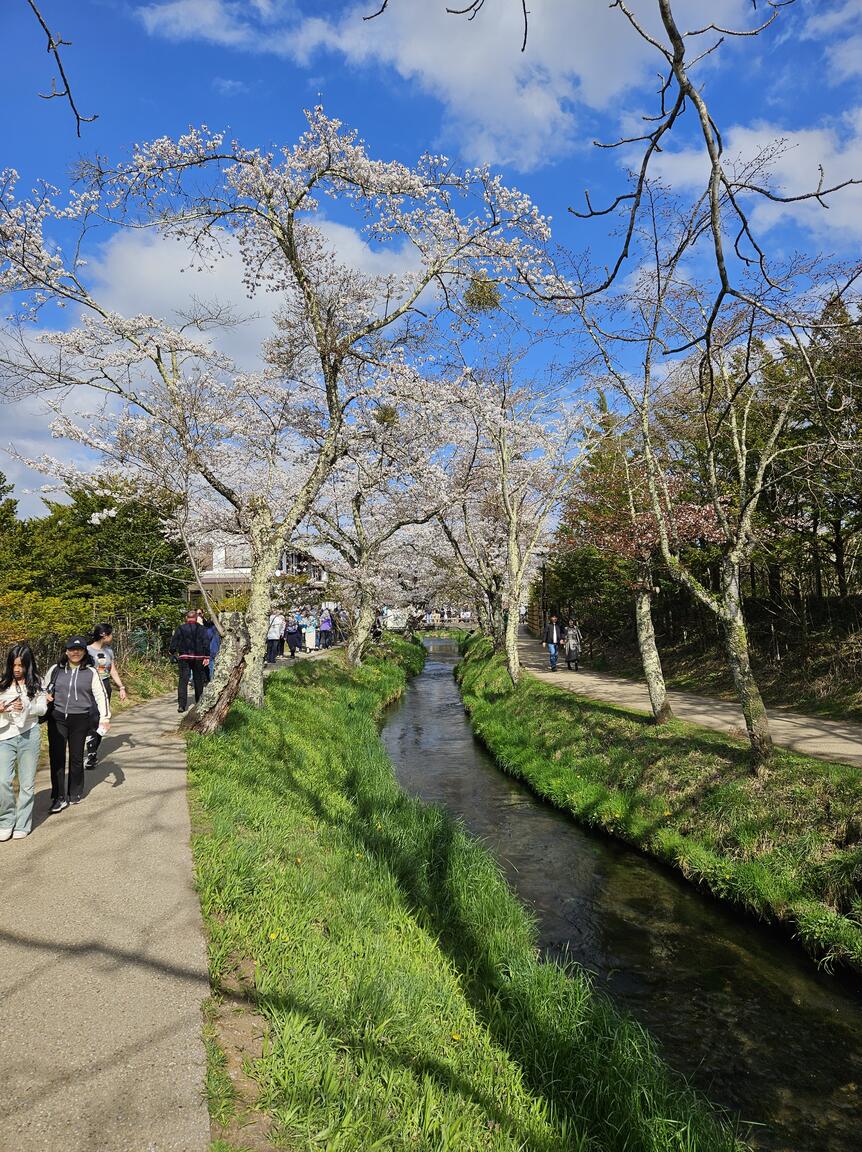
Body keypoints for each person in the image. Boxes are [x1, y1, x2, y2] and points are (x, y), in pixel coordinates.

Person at [45, 637, 110, 811]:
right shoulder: (55, 670)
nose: (75, 652)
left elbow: (100, 695)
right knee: (57, 757)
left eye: (79, 649)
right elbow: (43, 691)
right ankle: (58, 797)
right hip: (57, 718)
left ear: (84, 652)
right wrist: (44, 698)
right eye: (72, 649)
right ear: (66, 651)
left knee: (76, 758)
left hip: (80, 719)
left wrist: (105, 717)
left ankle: (74, 792)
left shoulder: (91, 672)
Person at [0, 643, 49, 839]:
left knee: (27, 783)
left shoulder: (37, 682)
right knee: (2, 781)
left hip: (30, 734)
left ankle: (22, 823)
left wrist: (26, 706)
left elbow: (42, 709)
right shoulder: (2, 683)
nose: (17, 669)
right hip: (4, 735)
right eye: (14, 665)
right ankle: (6, 820)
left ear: (28, 665)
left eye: (21, 665)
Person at [85, 623, 127, 771]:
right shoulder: (87, 650)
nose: (112, 636)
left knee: (100, 719)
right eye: (111, 634)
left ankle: (92, 752)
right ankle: (89, 748)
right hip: (89, 689)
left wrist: (121, 687)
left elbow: (113, 671)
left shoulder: (109, 651)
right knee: (91, 718)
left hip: (105, 687)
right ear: (104, 635)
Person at [169, 610, 210, 713]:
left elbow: (174, 642)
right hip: (198, 657)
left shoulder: (180, 628)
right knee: (198, 680)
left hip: (184, 657)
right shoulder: (202, 629)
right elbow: (206, 642)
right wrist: (207, 656)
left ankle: (182, 705)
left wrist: (172, 652)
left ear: (186, 618)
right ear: (196, 618)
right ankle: (199, 702)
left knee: (183, 681)